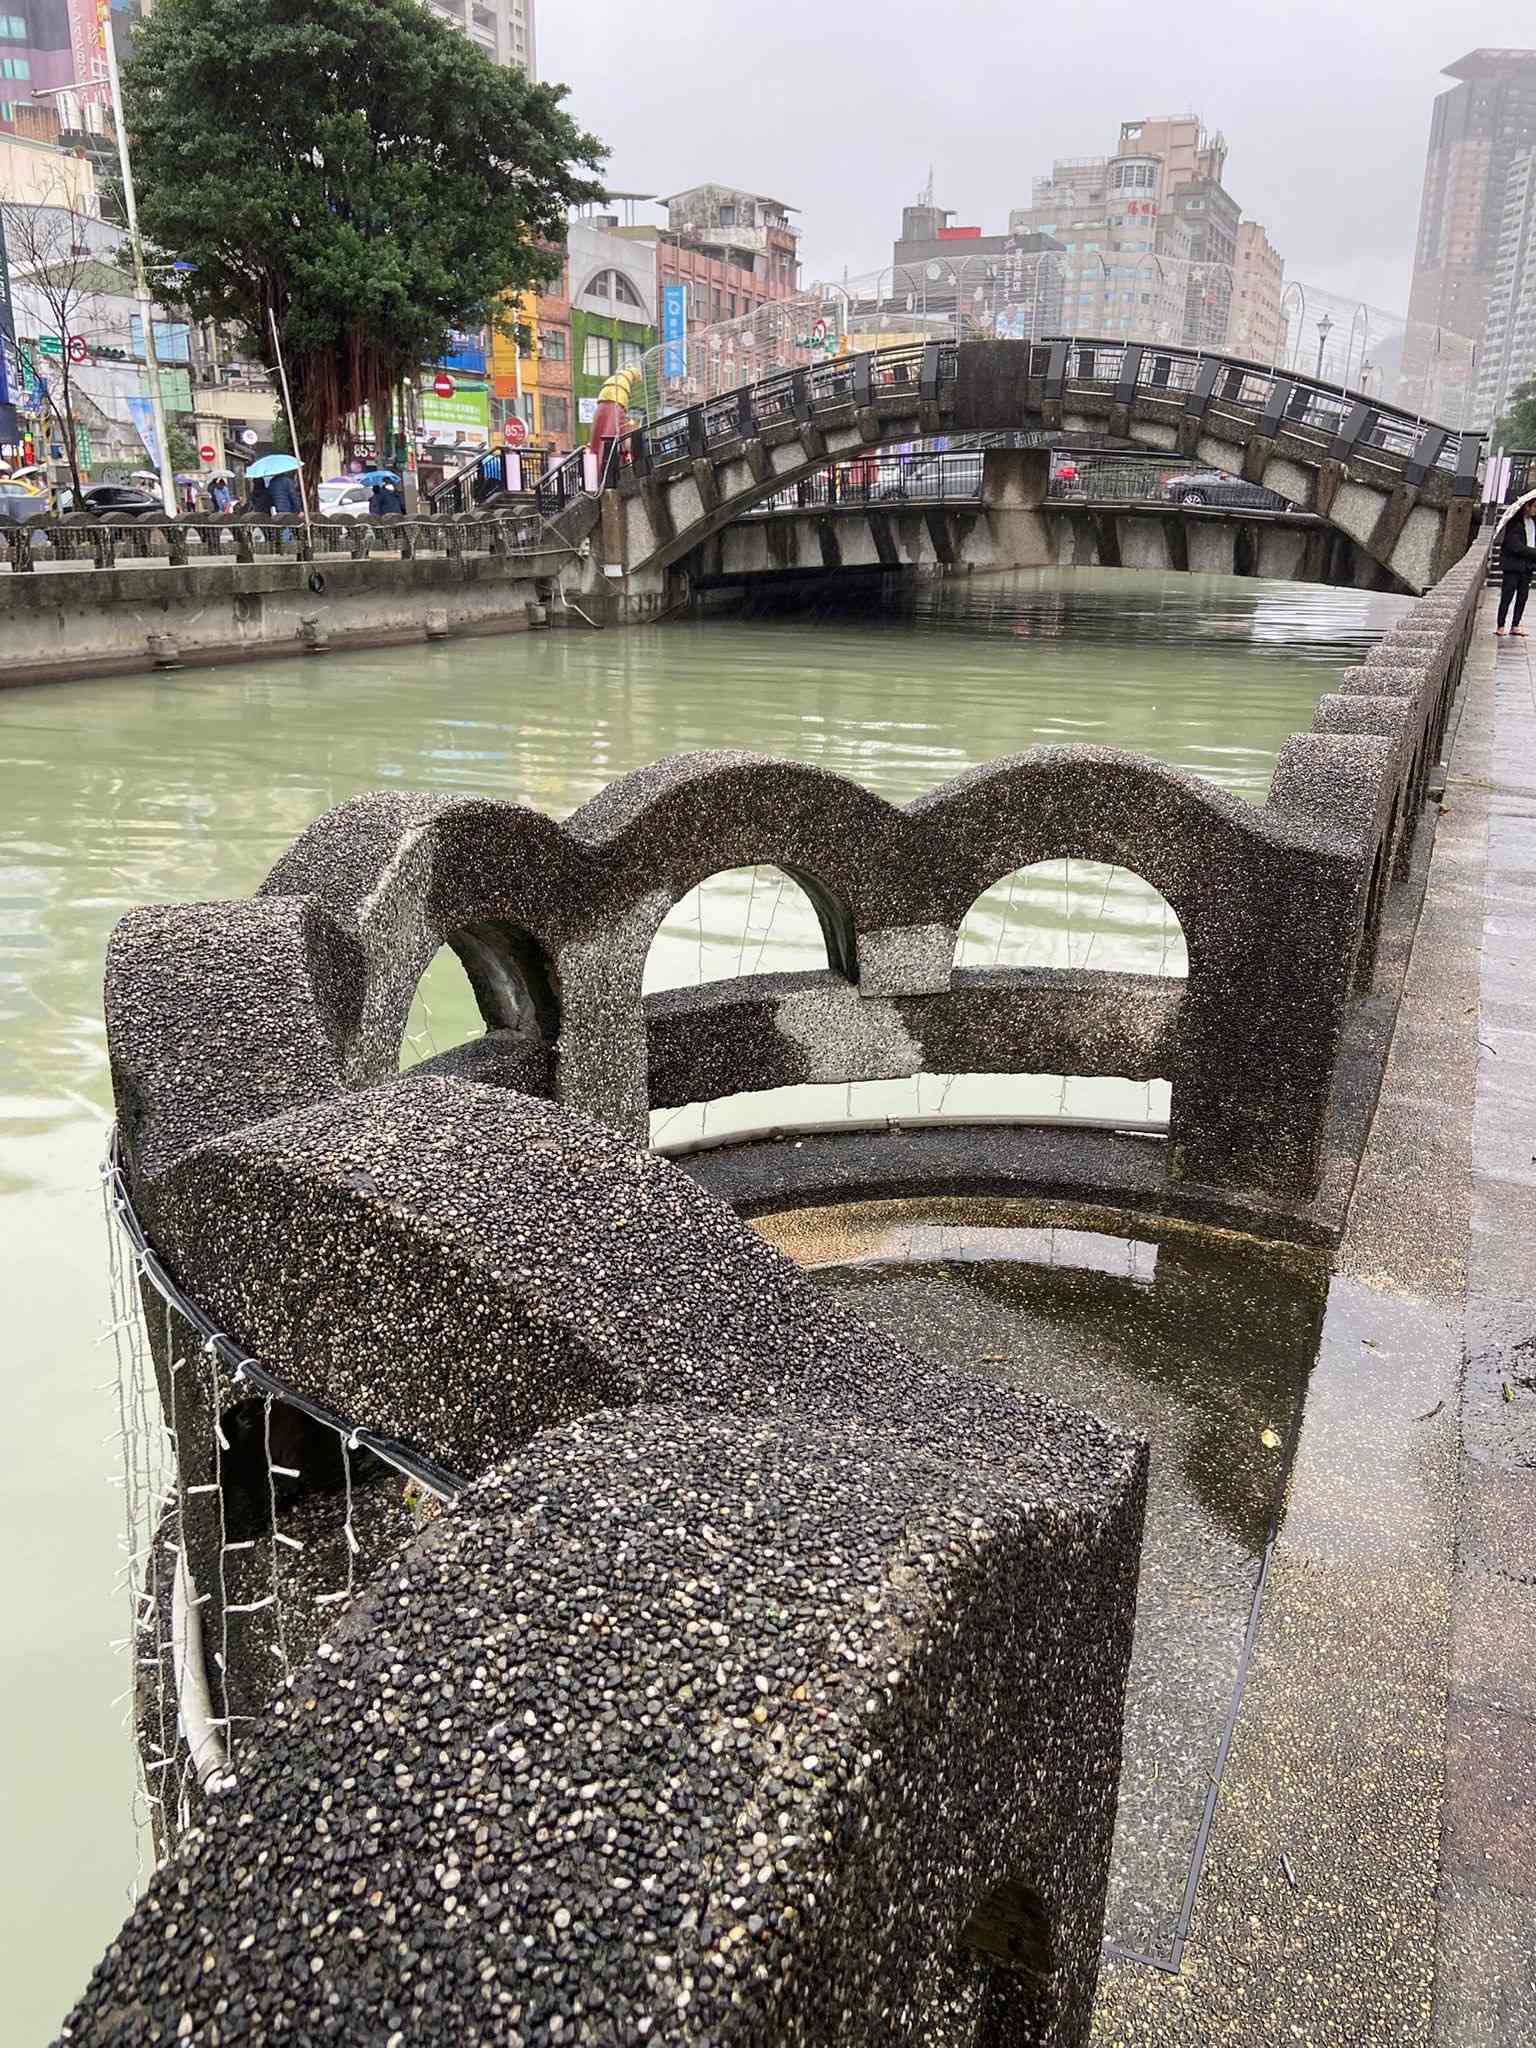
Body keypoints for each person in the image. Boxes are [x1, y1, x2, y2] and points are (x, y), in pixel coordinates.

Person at [1497, 503, 1536, 638]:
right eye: (1535, 506)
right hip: (1513, 566)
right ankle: (1501, 625)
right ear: (1527, 507)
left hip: (1528, 567)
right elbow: (1516, 547)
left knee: (1522, 597)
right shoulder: (1515, 524)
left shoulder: (1533, 523)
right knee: (1507, 595)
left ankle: (1515, 625)